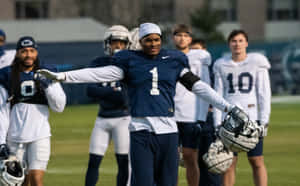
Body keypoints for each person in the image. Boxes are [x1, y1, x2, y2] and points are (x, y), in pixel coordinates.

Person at [37, 23, 245, 186]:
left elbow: (199, 87)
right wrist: (61, 76)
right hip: (140, 131)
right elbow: (95, 74)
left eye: (156, 39)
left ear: (161, 40)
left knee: (168, 183)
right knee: (142, 182)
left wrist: (228, 107)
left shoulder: (173, 61)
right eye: (148, 40)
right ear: (140, 42)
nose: (153, 43)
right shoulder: (129, 61)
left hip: (168, 132)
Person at [0, 36, 66, 186]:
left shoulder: (47, 72)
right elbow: (1, 113)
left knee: (36, 179)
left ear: (36, 52)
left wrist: (48, 86)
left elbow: (60, 106)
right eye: (24, 51)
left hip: (40, 135)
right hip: (15, 137)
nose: (28, 55)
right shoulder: (7, 75)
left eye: (31, 51)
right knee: (17, 182)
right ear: (17, 53)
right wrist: (1, 142)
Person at [213, 29, 271, 186]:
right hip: (229, 120)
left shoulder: (257, 61)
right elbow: (217, 97)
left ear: (246, 43)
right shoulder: (221, 64)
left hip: (252, 117)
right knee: (229, 162)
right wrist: (216, 123)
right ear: (229, 44)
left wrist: (264, 121)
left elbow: (264, 93)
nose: (237, 44)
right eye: (233, 41)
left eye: (240, 40)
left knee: (256, 160)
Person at [85, 25, 131, 186]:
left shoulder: (131, 64)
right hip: (102, 118)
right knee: (93, 161)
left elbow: (125, 98)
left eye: (122, 43)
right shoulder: (99, 63)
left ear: (128, 45)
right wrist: (114, 93)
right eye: (114, 42)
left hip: (123, 119)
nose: (118, 46)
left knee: (123, 162)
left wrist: (104, 91)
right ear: (107, 44)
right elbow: (90, 90)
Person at [172, 24, 213, 186]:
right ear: (173, 37)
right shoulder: (165, 56)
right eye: (178, 35)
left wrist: (202, 115)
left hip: (191, 114)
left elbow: (205, 87)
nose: (182, 38)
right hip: (169, 114)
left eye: (185, 35)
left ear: (190, 38)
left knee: (190, 156)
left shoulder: (200, 57)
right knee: (170, 159)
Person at [189, 37, 223, 186]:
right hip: (190, 119)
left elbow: (219, 92)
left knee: (211, 163)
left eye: (199, 50)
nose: (196, 54)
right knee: (194, 162)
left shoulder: (212, 70)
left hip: (209, 120)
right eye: (193, 50)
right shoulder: (186, 71)